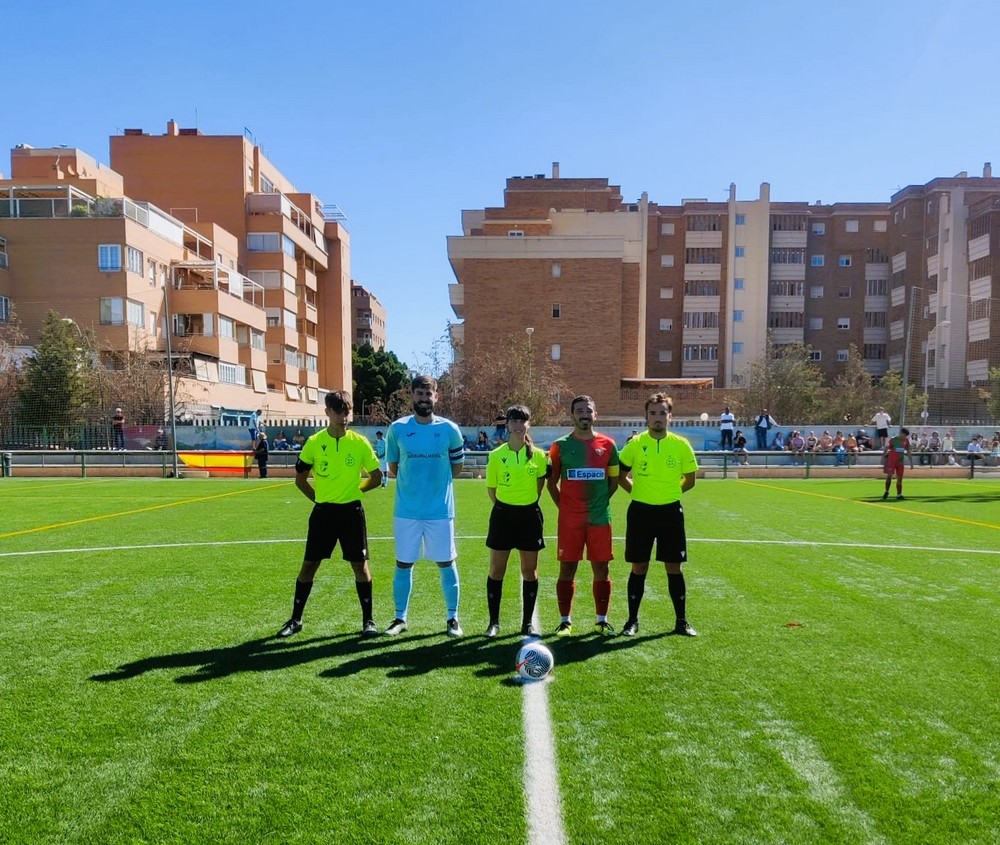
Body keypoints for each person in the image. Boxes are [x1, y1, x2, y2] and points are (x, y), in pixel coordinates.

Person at [276, 390, 383, 639]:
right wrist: (319, 499)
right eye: (338, 410)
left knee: (360, 566)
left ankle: (368, 621)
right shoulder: (314, 443)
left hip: (352, 514)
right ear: (327, 413)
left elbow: (376, 478)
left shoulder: (360, 443)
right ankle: (295, 619)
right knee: (309, 566)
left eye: (346, 410)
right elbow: (300, 480)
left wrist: (356, 492)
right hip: (323, 514)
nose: (343, 415)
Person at [384, 375, 465, 637]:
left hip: (440, 512)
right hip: (407, 511)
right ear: (412, 396)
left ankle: (453, 618)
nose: (424, 399)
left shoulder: (449, 430)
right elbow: (394, 468)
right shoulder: (397, 429)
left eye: (428, 394)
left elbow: (457, 467)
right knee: (403, 563)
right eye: (419, 394)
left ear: (436, 397)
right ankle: (399, 618)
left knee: (446, 562)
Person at [618, 393, 699, 637]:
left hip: (671, 512)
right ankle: (632, 621)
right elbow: (621, 476)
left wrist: (670, 494)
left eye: (662, 413)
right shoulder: (634, 444)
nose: (657, 418)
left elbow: (691, 480)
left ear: (670, 416)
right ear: (646, 416)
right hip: (641, 512)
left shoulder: (681, 444)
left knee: (674, 567)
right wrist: (639, 492)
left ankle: (681, 621)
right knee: (639, 566)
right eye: (653, 413)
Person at [547, 394, 620, 636]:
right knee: (567, 569)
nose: (584, 414)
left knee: (601, 568)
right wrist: (566, 507)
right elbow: (551, 484)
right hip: (570, 521)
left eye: (588, 410)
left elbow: (613, 482)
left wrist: (598, 503)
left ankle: (601, 620)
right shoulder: (560, 446)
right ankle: (565, 622)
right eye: (579, 411)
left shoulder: (608, 445)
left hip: (599, 519)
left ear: (595, 414)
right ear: (572, 415)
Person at [483, 404, 549, 639]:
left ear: (528, 424)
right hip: (502, 516)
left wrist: (525, 505)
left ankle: (527, 623)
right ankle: (493, 623)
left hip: (529, 517)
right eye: (514, 421)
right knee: (497, 570)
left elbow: (539, 487)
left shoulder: (540, 457)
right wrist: (505, 507)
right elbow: (492, 489)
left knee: (529, 571)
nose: (518, 425)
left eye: (523, 421)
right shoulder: (496, 456)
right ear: (507, 424)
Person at [881, 427, 911, 500]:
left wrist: (911, 462)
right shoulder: (893, 439)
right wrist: (883, 457)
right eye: (904, 435)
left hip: (900, 462)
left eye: (905, 436)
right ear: (901, 433)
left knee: (900, 478)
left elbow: (908, 450)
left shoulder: (906, 441)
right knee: (889, 476)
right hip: (892, 461)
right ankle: (886, 491)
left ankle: (899, 495)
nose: (904, 437)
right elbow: (887, 447)